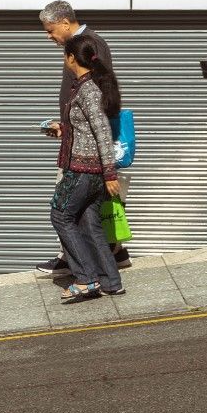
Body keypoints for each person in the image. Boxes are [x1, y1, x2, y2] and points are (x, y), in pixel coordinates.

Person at [35, 0, 132, 276]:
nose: (49, 36)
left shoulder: (91, 44)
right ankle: (112, 256)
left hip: (84, 150)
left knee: (65, 209)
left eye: (51, 30)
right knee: (87, 209)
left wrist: (78, 131)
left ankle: (77, 263)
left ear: (65, 23)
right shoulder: (80, 45)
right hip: (77, 140)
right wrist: (66, 126)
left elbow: (100, 100)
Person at [46, 34, 124, 301]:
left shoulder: (88, 89)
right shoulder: (87, 87)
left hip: (82, 170)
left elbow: (102, 132)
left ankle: (86, 279)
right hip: (90, 169)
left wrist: (110, 174)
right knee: (90, 224)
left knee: (60, 216)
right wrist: (63, 129)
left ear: (71, 58)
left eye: (64, 56)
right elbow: (87, 128)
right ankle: (111, 281)